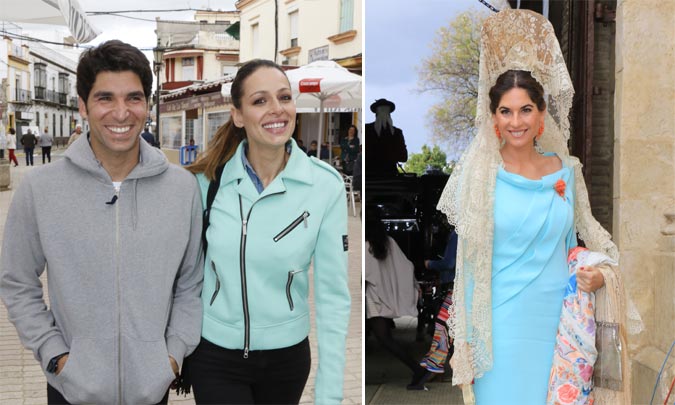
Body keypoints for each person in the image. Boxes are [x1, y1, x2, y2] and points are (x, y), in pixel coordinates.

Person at [436, 9, 634, 404]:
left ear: (542, 114)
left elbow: (593, 236)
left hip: (561, 327)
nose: (516, 122)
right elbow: (469, 265)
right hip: (500, 326)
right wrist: (469, 344)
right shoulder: (478, 177)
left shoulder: (568, 171)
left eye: (525, 109)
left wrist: (601, 274)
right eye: (505, 111)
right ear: (493, 118)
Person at [0, 40, 204, 404]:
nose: (121, 113)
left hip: (151, 388)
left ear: (146, 104)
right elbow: (16, 281)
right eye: (105, 98)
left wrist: (171, 356)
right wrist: (55, 355)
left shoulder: (183, 188)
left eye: (134, 98)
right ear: (83, 105)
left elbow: (191, 283)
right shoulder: (39, 189)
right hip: (71, 387)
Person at [184, 59, 350, 404]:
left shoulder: (324, 186)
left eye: (284, 97)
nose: (277, 109)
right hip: (214, 354)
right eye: (260, 101)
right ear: (238, 115)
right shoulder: (205, 183)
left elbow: (334, 297)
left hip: (286, 359)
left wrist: (330, 394)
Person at [365, 207, 427, 390]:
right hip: (379, 297)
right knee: (382, 337)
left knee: (383, 337)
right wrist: (414, 286)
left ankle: (418, 370)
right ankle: (417, 370)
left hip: (372, 299)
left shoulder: (365, 245)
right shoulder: (388, 242)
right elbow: (406, 266)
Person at [364, 98, 407, 175]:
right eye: (381, 110)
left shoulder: (397, 132)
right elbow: (403, 156)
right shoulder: (366, 129)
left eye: (385, 110)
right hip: (371, 175)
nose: (383, 112)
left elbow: (403, 157)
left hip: (387, 175)